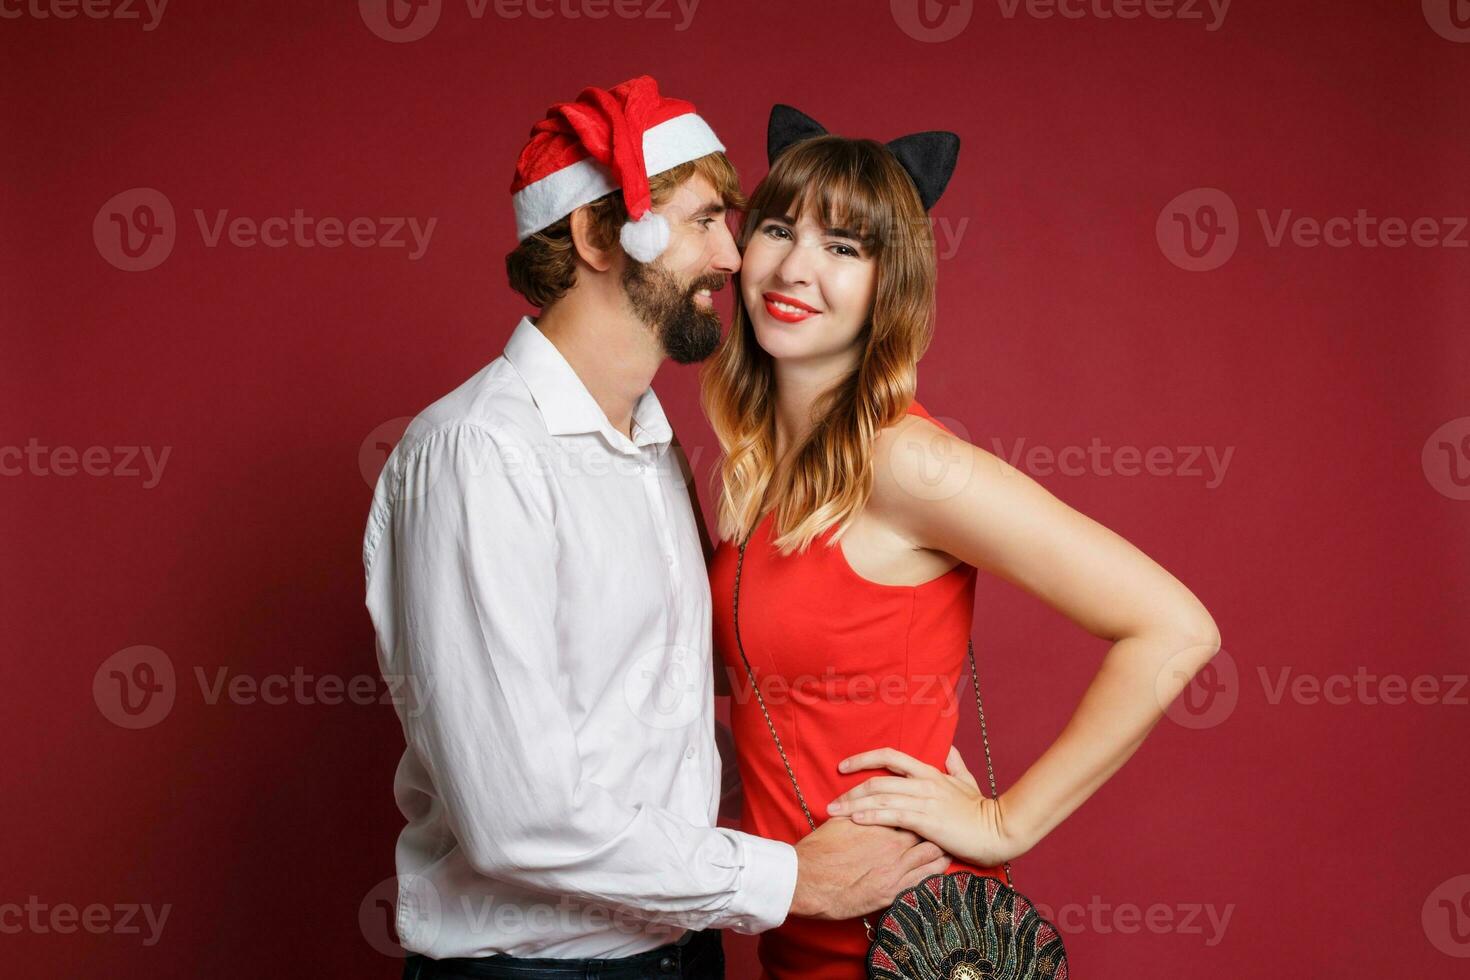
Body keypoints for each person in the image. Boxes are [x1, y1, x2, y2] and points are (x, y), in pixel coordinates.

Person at [362, 77, 950, 980]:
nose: (734, 253)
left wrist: (896, 753)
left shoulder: (649, 448)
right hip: (536, 973)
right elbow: (518, 815)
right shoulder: (481, 455)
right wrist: (789, 878)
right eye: (706, 220)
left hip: (678, 955)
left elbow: (652, 732)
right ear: (601, 235)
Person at [702, 104, 1223, 979]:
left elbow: (1175, 629)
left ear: (887, 286)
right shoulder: (756, 472)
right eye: (781, 228)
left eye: (845, 248)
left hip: (911, 944)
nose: (796, 267)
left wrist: (1000, 822)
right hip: (798, 932)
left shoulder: (908, 462)